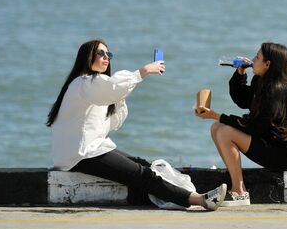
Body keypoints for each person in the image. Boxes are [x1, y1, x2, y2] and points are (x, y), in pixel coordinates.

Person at [47, 39, 227, 210]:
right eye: (100, 52)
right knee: (141, 174)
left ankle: (185, 194)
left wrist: (122, 93)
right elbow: (113, 88)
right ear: (87, 56)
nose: (106, 57)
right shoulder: (86, 82)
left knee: (144, 165)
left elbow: (110, 119)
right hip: (80, 154)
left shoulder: (89, 86)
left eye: (108, 54)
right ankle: (200, 200)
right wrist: (144, 71)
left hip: (87, 150)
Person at [195, 42, 287, 206]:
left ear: (267, 64)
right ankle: (237, 186)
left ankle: (240, 192)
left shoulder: (277, 90)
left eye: (257, 57)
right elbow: (243, 100)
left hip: (284, 153)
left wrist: (216, 115)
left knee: (224, 131)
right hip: (269, 143)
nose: (252, 59)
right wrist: (240, 74)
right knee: (217, 128)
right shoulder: (262, 80)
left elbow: (253, 126)